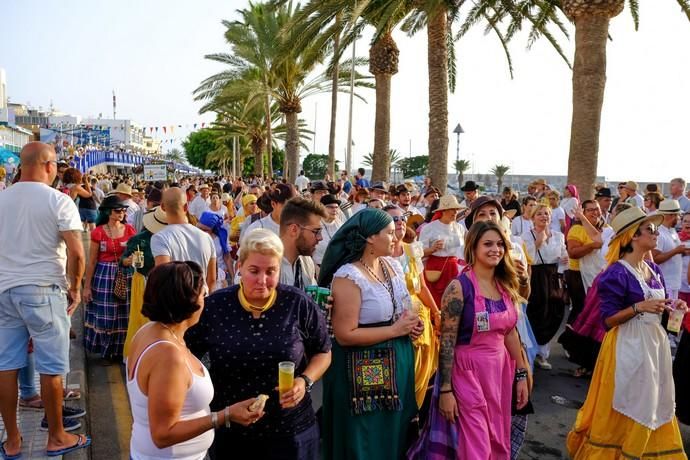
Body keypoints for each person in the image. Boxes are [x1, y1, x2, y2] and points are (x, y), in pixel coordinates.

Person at [187, 229, 331, 459]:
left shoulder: (297, 303)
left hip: (291, 431)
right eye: (254, 271)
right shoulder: (215, 307)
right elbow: (185, 353)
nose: (262, 280)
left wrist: (305, 381)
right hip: (232, 432)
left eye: (271, 271)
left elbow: (323, 352)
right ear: (240, 266)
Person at [567, 207, 687, 459]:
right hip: (626, 345)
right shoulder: (615, 273)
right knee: (630, 400)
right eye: (650, 229)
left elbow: (663, 312)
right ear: (633, 235)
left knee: (654, 399)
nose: (656, 233)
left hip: (654, 345)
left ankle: (646, 451)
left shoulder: (654, 271)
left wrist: (675, 308)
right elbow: (608, 320)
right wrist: (638, 307)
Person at [0, 142, 91, 458]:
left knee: (6, 365)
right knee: (51, 367)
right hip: (43, 289)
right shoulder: (59, 201)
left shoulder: (1, 199)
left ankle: (12, 442)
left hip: (5, 291)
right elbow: (77, 254)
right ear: (50, 166)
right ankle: (56, 437)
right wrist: (76, 287)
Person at [127, 261, 263, 460]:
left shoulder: (149, 331)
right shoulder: (168, 356)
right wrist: (225, 415)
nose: (205, 301)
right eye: (203, 294)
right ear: (188, 301)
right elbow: (163, 434)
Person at [319, 209, 423, 460]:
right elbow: (344, 334)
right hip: (361, 367)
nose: (396, 236)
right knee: (365, 436)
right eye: (389, 232)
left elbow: (400, 309)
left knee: (392, 431)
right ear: (370, 238)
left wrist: (411, 324)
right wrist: (395, 330)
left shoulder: (392, 265)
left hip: (399, 361)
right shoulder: (349, 275)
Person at [430, 221, 529, 459]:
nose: (495, 249)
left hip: (500, 373)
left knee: (497, 439)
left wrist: (522, 374)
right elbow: (447, 342)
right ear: (473, 247)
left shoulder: (505, 284)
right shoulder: (459, 287)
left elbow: (510, 333)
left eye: (499, 244)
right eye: (487, 244)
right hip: (468, 373)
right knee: (476, 445)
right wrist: (445, 390)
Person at [385, 205, 440, 408]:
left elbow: (422, 286)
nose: (399, 222)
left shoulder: (412, 250)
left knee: (420, 374)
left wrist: (436, 313)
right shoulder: (379, 255)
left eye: (402, 218)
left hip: (420, 320)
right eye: (394, 219)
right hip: (394, 323)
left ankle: (414, 415)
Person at [83, 195, 137, 360]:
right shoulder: (98, 232)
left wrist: (131, 259)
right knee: (106, 313)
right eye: (117, 210)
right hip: (103, 276)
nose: (121, 213)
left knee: (125, 312)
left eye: (123, 210)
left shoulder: (130, 230)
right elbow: (91, 261)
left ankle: (122, 351)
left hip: (125, 274)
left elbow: (136, 253)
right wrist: (86, 286)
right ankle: (106, 351)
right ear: (107, 212)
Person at [523, 205, 568, 370]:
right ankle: (535, 353)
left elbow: (564, 255)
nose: (544, 216)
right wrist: (538, 242)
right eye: (539, 214)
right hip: (536, 276)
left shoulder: (559, 236)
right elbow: (528, 259)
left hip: (554, 275)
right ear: (533, 218)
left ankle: (543, 352)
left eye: (547, 214)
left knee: (554, 311)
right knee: (537, 312)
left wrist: (563, 261)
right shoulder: (527, 236)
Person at [122, 206, 168, 358]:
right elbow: (124, 260)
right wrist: (128, 261)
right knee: (142, 317)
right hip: (143, 282)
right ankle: (140, 353)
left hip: (163, 283)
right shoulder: (139, 239)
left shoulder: (169, 237)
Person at [151, 188, 217, 292]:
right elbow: (212, 279)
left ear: (163, 207)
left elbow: (162, 278)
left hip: (175, 303)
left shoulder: (160, 238)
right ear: (186, 207)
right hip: (202, 301)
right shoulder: (206, 237)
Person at [419, 195, 467, 307]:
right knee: (435, 300)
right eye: (452, 209)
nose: (455, 212)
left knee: (453, 301)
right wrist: (432, 249)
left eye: (456, 209)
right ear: (444, 211)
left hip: (455, 268)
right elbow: (419, 252)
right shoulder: (429, 228)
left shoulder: (459, 228)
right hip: (435, 268)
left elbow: (463, 250)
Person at [565, 200, 604, 323]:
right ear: (583, 213)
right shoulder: (577, 229)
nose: (594, 212)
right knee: (581, 310)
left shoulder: (606, 229)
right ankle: (572, 338)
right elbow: (572, 253)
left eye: (596, 209)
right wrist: (591, 246)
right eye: (590, 210)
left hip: (599, 275)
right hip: (578, 275)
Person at [278, 197, 326, 288]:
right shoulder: (267, 265)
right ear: (294, 230)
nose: (320, 238)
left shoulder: (307, 262)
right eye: (316, 232)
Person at [653, 200, 690, 302]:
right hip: (664, 283)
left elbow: (674, 251)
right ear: (670, 215)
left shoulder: (672, 230)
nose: (679, 219)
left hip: (674, 283)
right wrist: (676, 251)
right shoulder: (659, 233)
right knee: (667, 315)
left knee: (673, 315)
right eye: (678, 215)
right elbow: (654, 259)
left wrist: (682, 251)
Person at [197, 212, 233, 290]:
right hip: (201, 275)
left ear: (212, 229)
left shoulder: (221, 238)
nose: (201, 231)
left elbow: (227, 257)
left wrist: (232, 277)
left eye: (205, 230)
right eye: (199, 228)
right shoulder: (195, 238)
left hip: (220, 275)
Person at [313, 194, 343, 266]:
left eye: (336, 207)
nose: (334, 210)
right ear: (321, 208)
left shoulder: (340, 224)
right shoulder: (315, 225)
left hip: (337, 266)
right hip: (319, 266)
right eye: (330, 207)